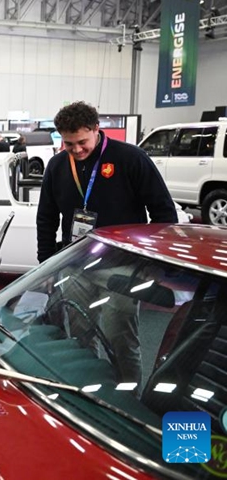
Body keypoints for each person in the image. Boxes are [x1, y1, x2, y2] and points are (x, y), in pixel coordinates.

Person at [36, 101, 177, 383]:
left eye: (81, 142)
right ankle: (87, 391)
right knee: (79, 337)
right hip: (75, 265)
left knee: (120, 339)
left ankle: (129, 401)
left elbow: (164, 214)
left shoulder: (130, 158)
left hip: (122, 269)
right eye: (68, 144)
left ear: (96, 129)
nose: (76, 150)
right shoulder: (57, 166)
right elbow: (47, 218)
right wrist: (47, 265)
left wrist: (151, 263)